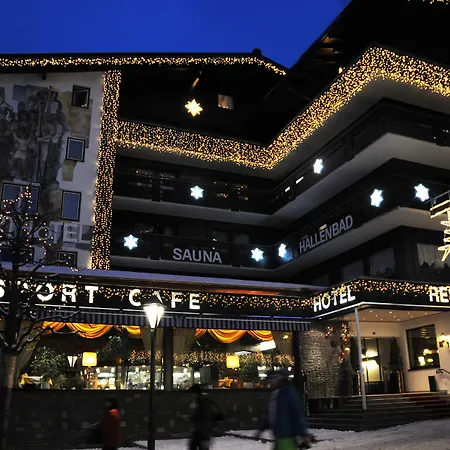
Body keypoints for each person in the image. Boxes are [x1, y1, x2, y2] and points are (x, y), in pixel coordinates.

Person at [256, 369, 312, 450]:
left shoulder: (288, 393)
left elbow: (297, 414)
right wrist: (261, 429)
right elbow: (271, 414)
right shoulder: (276, 393)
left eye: (272, 379)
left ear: (280, 379)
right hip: (279, 436)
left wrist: (303, 433)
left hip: (287, 436)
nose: (270, 382)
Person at [188, 384, 224, 450]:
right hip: (198, 430)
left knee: (202, 447)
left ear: (196, 393)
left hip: (205, 431)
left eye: (192, 394)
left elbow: (210, 413)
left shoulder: (204, 402)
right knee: (193, 446)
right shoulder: (196, 402)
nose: (191, 396)